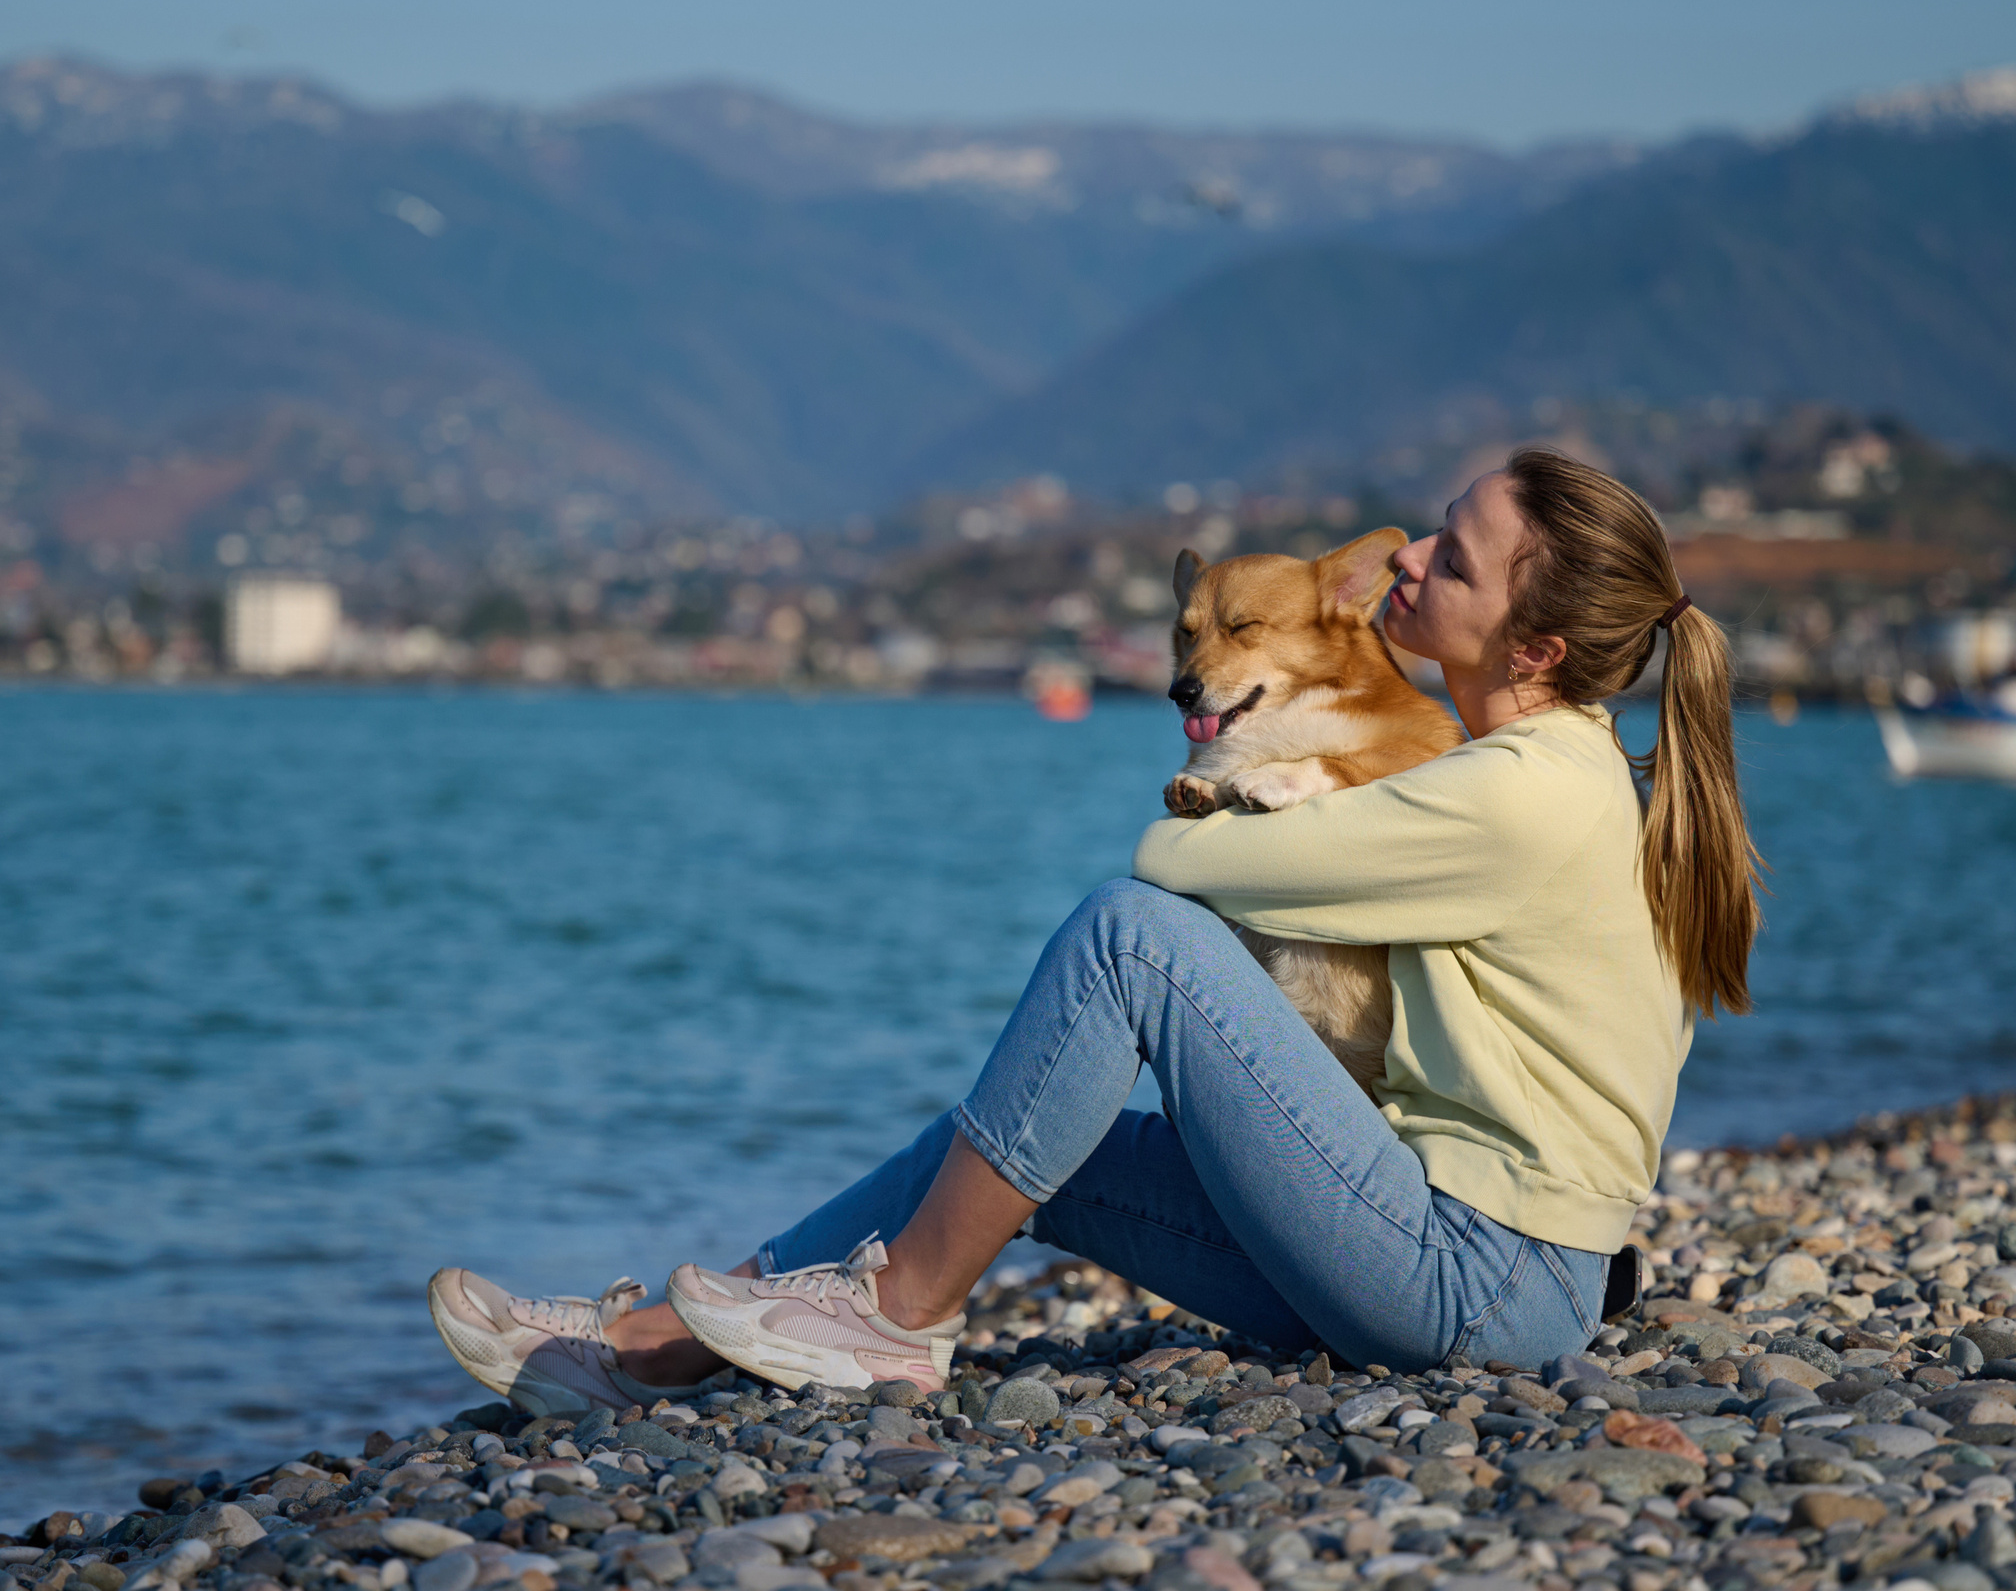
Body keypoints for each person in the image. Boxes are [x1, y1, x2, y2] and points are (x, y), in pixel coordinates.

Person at [429, 447, 1760, 1414]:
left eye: (1451, 557)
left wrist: (1224, 809)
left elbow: (1171, 860)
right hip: (1473, 1268)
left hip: (1475, 1286)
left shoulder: (1519, 795)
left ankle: (896, 1319)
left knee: (1131, 936)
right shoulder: (1562, 775)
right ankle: (670, 1339)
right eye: (1432, 529)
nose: (1407, 553)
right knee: (1009, 1149)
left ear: (1531, 649)